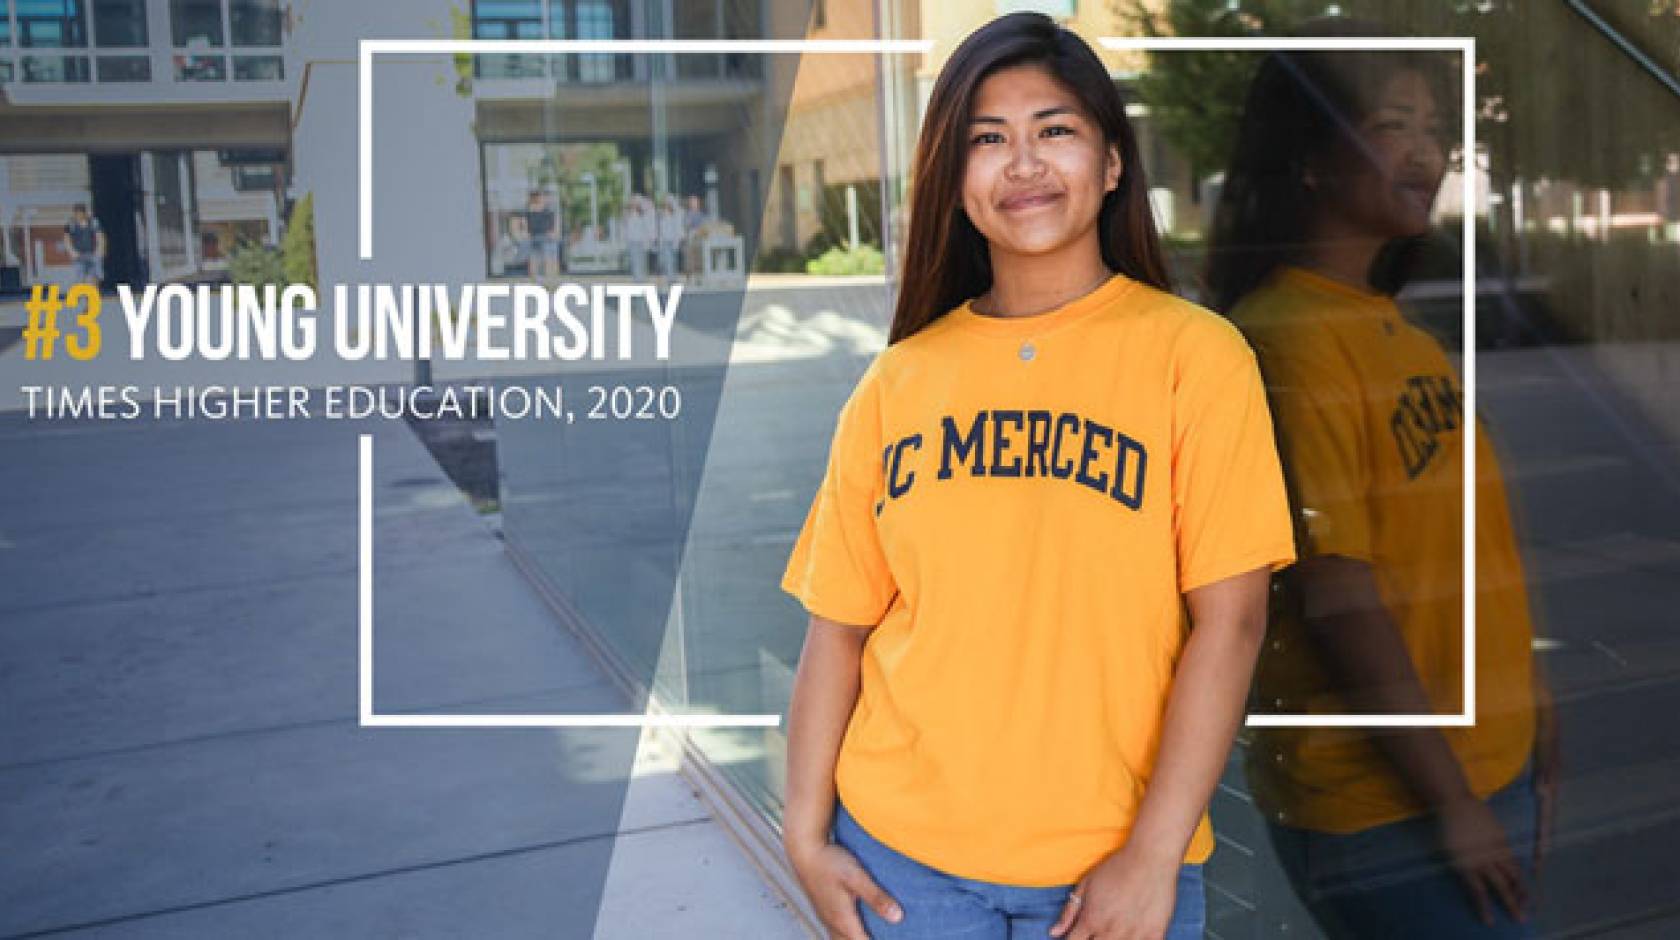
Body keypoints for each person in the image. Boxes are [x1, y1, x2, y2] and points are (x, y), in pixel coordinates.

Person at [780, 12, 1297, 940]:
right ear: (955, 180)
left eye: (1054, 130)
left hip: (1118, 870)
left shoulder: (1197, 357)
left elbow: (1234, 621)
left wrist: (1152, 853)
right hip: (902, 867)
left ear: (1109, 165)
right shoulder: (899, 381)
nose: (1022, 164)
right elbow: (838, 632)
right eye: (988, 139)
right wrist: (804, 838)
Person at [1205, 28, 1558, 940]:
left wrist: (1532, 710)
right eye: (1393, 124)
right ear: (1311, 162)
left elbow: (1464, 550)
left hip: (1484, 765)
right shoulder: (1287, 342)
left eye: (1435, 128)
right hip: (1387, 806)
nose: (1427, 152)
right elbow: (1340, 600)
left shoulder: (1389, 329)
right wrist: (1453, 805)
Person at [63, 204, 106, 286]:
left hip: (93, 254)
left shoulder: (93, 222)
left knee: (95, 276)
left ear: (85, 213)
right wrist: (72, 252)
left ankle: (93, 294)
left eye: (81, 213)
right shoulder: (70, 224)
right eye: (77, 213)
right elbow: (66, 240)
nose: (79, 215)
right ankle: (82, 296)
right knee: (79, 277)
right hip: (78, 255)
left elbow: (100, 236)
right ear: (74, 214)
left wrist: (99, 251)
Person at [524, 190, 559, 278]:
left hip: (545, 236)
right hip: (536, 236)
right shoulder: (530, 210)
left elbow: (553, 223)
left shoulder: (547, 209)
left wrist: (553, 233)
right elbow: (525, 223)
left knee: (546, 259)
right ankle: (539, 277)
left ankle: (547, 277)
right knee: (535, 259)